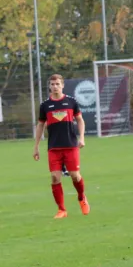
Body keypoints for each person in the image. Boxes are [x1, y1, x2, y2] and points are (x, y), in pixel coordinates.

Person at [33, 74, 90, 218]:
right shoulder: (45, 105)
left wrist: (81, 138)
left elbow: (80, 120)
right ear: (49, 87)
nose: (55, 87)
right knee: (54, 177)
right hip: (53, 147)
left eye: (57, 84)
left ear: (62, 85)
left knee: (75, 176)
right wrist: (36, 146)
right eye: (52, 84)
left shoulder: (71, 102)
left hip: (70, 145)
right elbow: (40, 125)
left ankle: (82, 197)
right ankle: (62, 210)